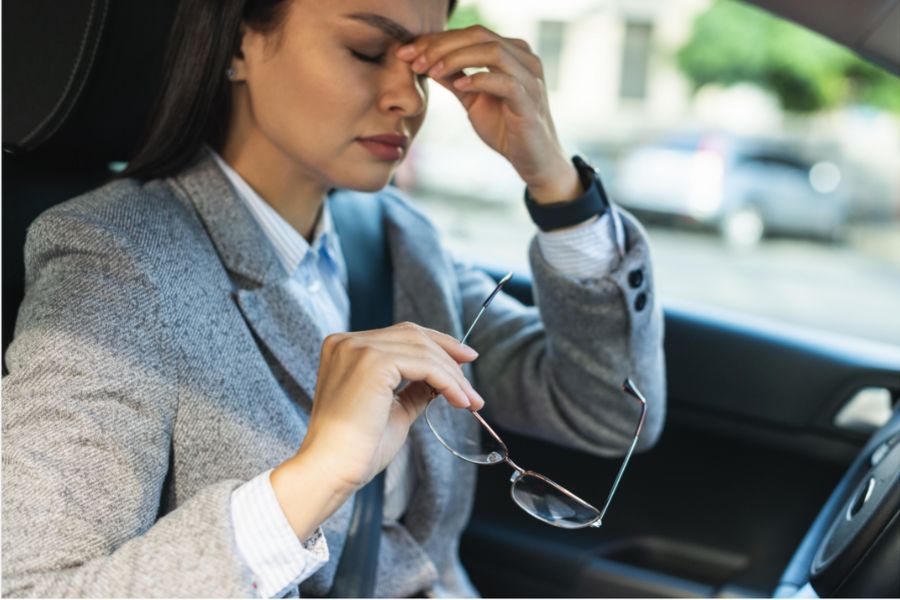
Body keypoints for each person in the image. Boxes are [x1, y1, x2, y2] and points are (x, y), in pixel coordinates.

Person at [1, 0, 666, 597]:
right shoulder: (118, 260)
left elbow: (609, 411)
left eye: (422, 68)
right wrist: (313, 478)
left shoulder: (400, 242)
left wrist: (554, 182)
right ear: (239, 44)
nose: (407, 99)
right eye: (368, 52)